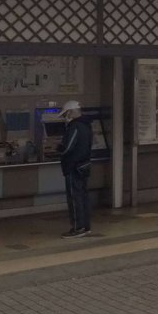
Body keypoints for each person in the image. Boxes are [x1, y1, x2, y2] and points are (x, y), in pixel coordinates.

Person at [58, 101, 93, 238]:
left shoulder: (75, 126)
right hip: (84, 165)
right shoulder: (87, 125)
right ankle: (86, 226)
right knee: (83, 197)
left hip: (74, 167)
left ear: (71, 112)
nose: (65, 116)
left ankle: (78, 228)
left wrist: (58, 148)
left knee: (74, 197)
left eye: (66, 113)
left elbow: (67, 147)